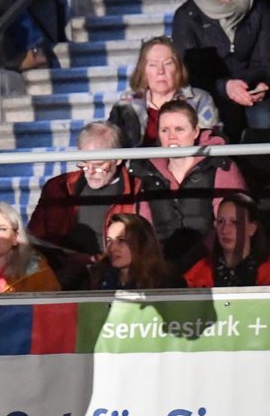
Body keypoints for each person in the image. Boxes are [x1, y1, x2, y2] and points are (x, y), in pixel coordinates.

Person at [27, 120, 151, 290]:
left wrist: (99, 261)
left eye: (99, 165)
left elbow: (145, 248)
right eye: (84, 163)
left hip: (118, 282)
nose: (90, 171)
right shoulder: (59, 187)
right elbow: (36, 241)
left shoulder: (136, 191)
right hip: (64, 279)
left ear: (118, 159)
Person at [129, 99, 247, 273]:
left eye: (179, 129)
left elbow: (232, 226)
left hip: (212, 265)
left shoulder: (220, 166)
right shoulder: (146, 172)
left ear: (195, 132)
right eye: (164, 130)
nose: (171, 137)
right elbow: (143, 229)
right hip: (161, 267)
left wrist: (195, 262)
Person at [172, 0, 270, 142]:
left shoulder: (257, 9)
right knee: (224, 120)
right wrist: (226, 86)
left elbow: (263, 61)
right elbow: (189, 72)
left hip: (250, 92)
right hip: (210, 93)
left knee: (263, 117)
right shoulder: (186, 16)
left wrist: (261, 84)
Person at [108, 36, 222, 148]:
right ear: (143, 70)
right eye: (153, 65)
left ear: (178, 68)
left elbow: (212, 144)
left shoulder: (199, 100)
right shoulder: (126, 104)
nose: (160, 71)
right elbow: (110, 143)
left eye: (167, 63)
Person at [183, 192, 270, 288]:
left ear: (252, 228)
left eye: (234, 222)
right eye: (220, 221)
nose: (225, 230)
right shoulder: (199, 273)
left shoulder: (267, 272)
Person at [89, 212, 176, 291]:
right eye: (109, 241)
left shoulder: (165, 283)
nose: (112, 248)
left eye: (121, 240)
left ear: (142, 243)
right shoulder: (97, 279)